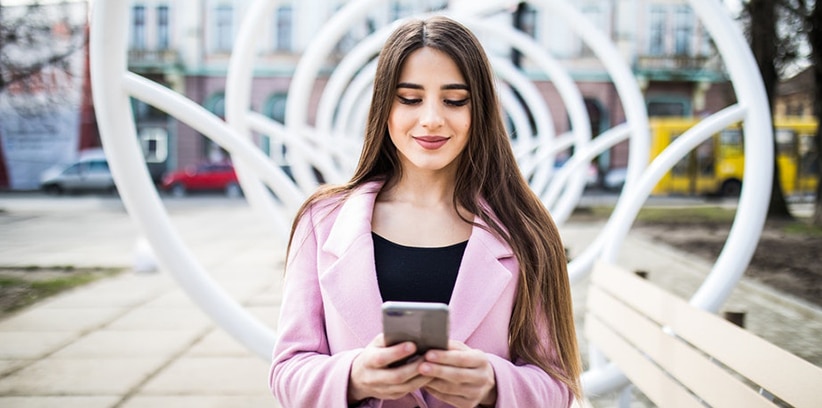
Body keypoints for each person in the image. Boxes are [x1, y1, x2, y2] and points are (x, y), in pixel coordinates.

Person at [270, 15, 582, 407]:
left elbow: (559, 385)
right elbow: (287, 370)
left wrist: (494, 385)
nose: (432, 118)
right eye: (410, 98)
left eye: (454, 100)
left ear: (480, 111)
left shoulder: (525, 229)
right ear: (384, 107)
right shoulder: (322, 220)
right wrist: (353, 378)